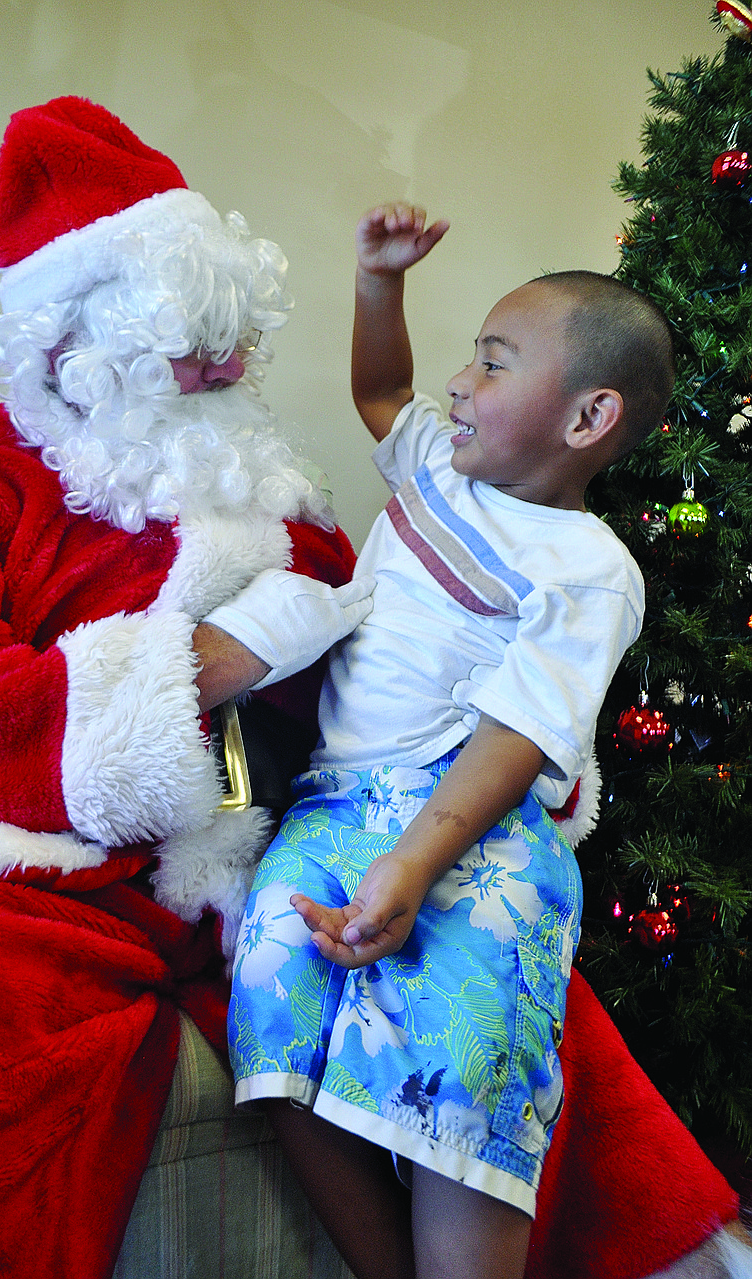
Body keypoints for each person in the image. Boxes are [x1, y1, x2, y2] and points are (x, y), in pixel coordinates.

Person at [0, 103, 745, 1279]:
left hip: (294, 833)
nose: (217, 365)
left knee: (505, 1012)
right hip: (48, 868)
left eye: (224, 332)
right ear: (68, 338)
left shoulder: (272, 488)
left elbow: (399, 669)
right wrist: (207, 668)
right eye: (177, 335)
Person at [221, 204, 752, 1279]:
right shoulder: (433, 470)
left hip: (473, 817)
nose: (459, 384)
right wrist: (379, 282)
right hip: (331, 808)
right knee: (270, 1005)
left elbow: (519, 732)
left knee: (466, 1069)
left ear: (587, 415)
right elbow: (381, 393)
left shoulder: (589, 567)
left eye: (495, 364)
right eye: (470, 359)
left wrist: (415, 861)